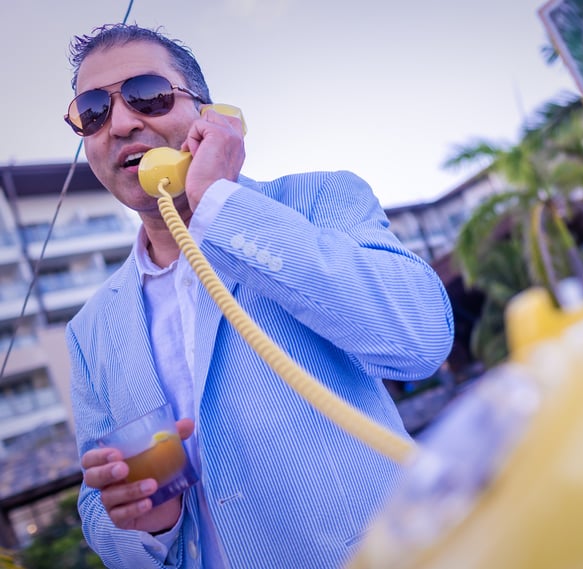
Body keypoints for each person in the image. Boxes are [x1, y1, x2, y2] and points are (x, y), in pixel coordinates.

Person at [64, 23, 454, 569]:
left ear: (208, 115)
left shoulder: (319, 197)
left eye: (147, 94)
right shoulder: (90, 329)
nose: (123, 123)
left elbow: (420, 339)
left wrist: (221, 207)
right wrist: (148, 524)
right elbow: (98, 507)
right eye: (93, 112)